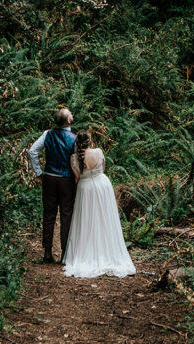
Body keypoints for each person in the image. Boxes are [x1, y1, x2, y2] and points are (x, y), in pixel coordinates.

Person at [62, 129, 136, 278]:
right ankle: (107, 251)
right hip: (102, 186)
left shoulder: (73, 158)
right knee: (105, 219)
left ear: (77, 143)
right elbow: (102, 169)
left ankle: (86, 253)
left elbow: (77, 178)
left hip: (84, 188)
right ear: (90, 141)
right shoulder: (99, 152)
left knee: (86, 221)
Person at [28, 107, 76, 263]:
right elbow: (76, 161)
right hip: (67, 180)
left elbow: (32, 151)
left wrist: (39, 172)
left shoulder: (47, 134)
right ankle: (65, 253)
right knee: (66, 216)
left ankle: (47, 251)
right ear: (68, 120)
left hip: (49, 178)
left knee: (49, 215)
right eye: (70, 114)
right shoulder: (74, 138)